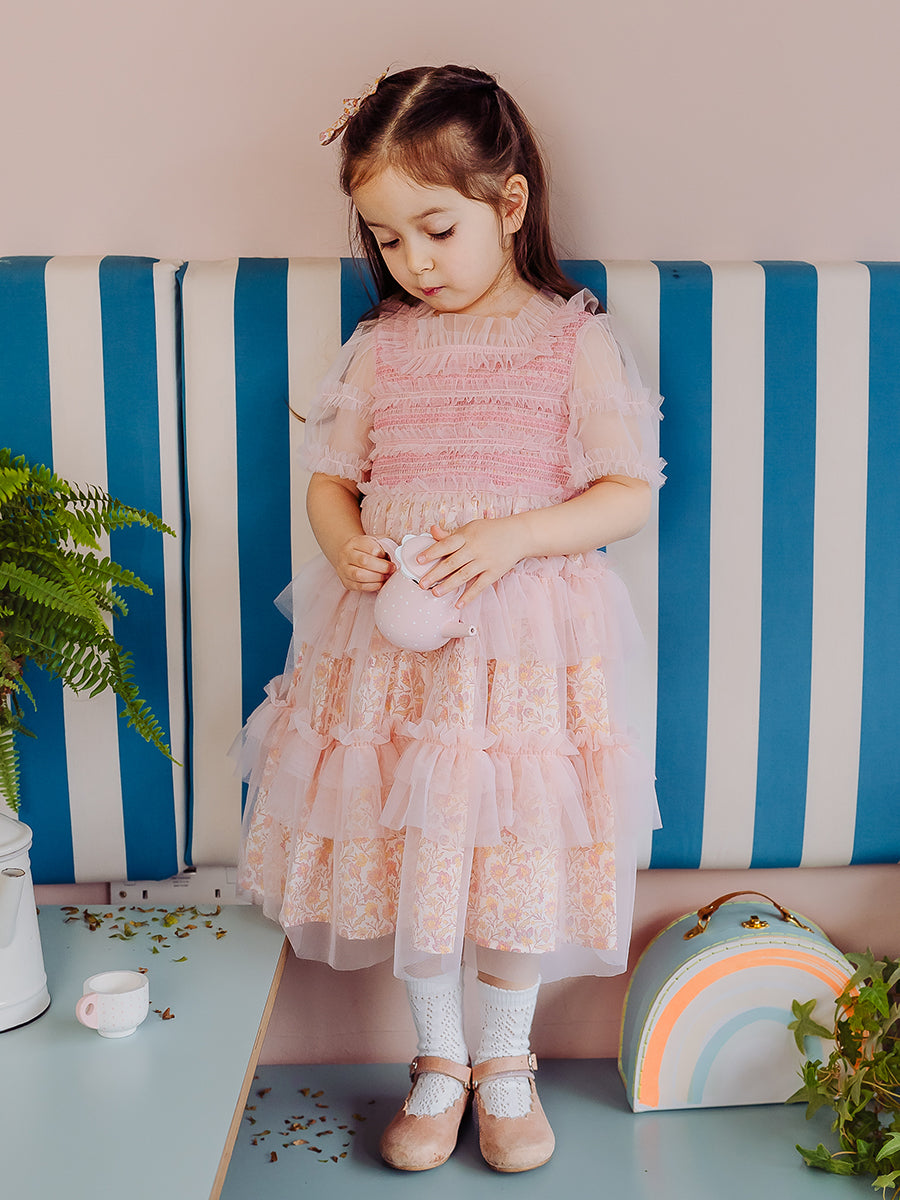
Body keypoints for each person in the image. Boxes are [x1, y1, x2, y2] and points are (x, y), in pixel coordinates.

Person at [234, 64, 664, 1174]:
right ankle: (437, 1060)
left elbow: (626, 492)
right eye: (388, 240)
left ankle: (507, 1060)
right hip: (394, 651)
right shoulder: (383, 347)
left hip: (520, 650)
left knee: (512, 841)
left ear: (509, 204)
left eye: (436, 230)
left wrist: (517, 535)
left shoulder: (573, 343)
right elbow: (332, 480)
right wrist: (345, 542)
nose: (414, 263)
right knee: (411, 843)